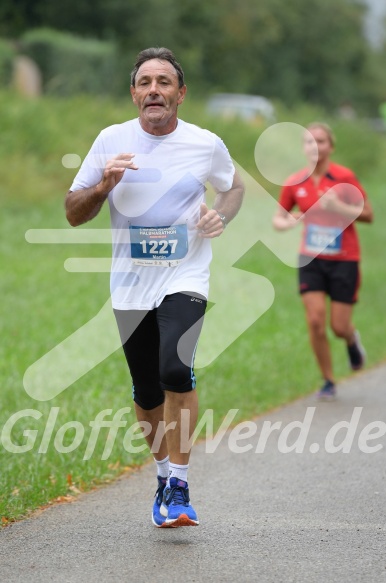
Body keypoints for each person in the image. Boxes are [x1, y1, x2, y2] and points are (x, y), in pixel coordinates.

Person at [65, 47, 244, 527]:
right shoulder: (110, 140)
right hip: (130, 283)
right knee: (146, 389)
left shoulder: (205, 143)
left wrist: (218, 214)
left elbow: (234, 187)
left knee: (174, 367)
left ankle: (181, 485)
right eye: (145, 82)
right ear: (133, 93)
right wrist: (103, 186)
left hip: (185, 275)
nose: (154, 90)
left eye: (164, 82)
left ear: (180, 94)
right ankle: (163, 476)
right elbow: (73, 211)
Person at [272, 122, 373, 400]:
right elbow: (278, 219)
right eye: (309, 141)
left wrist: (338, 207)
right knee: (315, 320)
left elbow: (368, 214)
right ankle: (328, 380)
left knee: (338, 326)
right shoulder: (295, 181)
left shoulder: (344, 176)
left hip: (344, 259)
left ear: (331, 146)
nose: (315, 146)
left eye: (321, 141)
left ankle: (352, 339)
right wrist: (288, 222)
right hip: (310, 258)